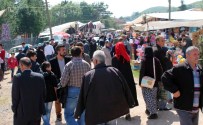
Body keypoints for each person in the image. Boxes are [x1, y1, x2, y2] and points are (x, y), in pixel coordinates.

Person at [74, 50, 135, 125]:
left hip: (97, 113)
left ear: (96, 61)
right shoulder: (115, 71)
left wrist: (78, 112)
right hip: (113, 111)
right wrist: (131, 102)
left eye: (92, 60)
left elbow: (83, 96)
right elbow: (126, 88)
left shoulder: (88, 76)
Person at [162, 46, 203, 125]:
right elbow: (165, 77)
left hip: (196, 107)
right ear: (187, 56)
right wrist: (174, 90)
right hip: (184, 107)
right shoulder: (180, 68)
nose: (197, 56)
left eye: (198, 54)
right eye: (194, 54)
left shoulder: (199, 69)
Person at [60, 46, 90, 125]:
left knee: (68, 114)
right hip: (84, 91)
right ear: (80, 53)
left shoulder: (69, 65)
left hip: (72, 91)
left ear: (71, 54)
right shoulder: (87, 64)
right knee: (82, 115)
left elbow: (63, 83)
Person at [11, 57, 46, 125]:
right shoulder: (40, 77)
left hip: (22, 113)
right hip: (36, 112)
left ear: (21, 65)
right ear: (30, 65)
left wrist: (15, 109)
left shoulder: (17, 77)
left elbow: (15, 97)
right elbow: (44, 95)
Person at [112, 42, 139, 120]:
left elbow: (114, 71)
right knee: (127, 95)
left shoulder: (115, 58)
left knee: (120, 96)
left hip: (119, 80)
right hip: (128, 80)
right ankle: (127, 113)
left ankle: (122, 112)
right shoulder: (127, 57)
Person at [139, 47, 163, 119]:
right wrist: (158, 80)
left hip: (146, 82)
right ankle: (149, 109)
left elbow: (142, 71)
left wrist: (140, 82)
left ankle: (153, 113)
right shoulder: (156, 60)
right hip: (154, 82)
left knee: (147, 96)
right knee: (153, 97)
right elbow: (160, 70)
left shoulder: (144, 60)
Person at [49, 44, 71, 121]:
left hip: (68, 83)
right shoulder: (52, 61)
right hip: (57, 84)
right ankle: (58, 115)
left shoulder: (69, 59)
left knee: (68, 99)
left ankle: (68, 114)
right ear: (58, 51)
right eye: (63, 50)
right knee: (57, 100)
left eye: (65, 50)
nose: (65, 51)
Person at [153, 35, 173, 110]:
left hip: (158, 72)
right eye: (162, 40)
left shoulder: (157, 48)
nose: (164, 42)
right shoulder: (158, 50)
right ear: (157, 41)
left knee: (160, 89)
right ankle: (162, 106)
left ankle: (160, 105)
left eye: (164, 40)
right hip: (160, 72)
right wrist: (168, 54)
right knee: (162, 89)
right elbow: (164, 60)